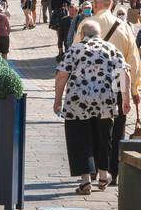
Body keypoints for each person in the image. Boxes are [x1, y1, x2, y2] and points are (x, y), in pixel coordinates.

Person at [73, 0, 141, 185]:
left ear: (95, 4)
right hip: (117, 83)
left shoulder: (86, 25)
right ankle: (112, 170)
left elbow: (76, 53)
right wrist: (134, 89)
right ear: (112, 4)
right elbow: (133, 60)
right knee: (116, 129)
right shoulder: (124, 26)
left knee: (91, 126)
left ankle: (94, 168)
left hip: (90, 85)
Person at [55, 19, 129, 194]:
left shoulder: (75, 49)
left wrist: (57, 100)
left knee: (80, 138)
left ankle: (85, 181)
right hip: (105, 101)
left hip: (77, 102)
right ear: (99, 34)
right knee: (105, 138)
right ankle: (103, 176)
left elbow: (62, 76)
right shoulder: (111, 48)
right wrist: (125, 99)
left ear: (82, 34)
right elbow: (124, 74)